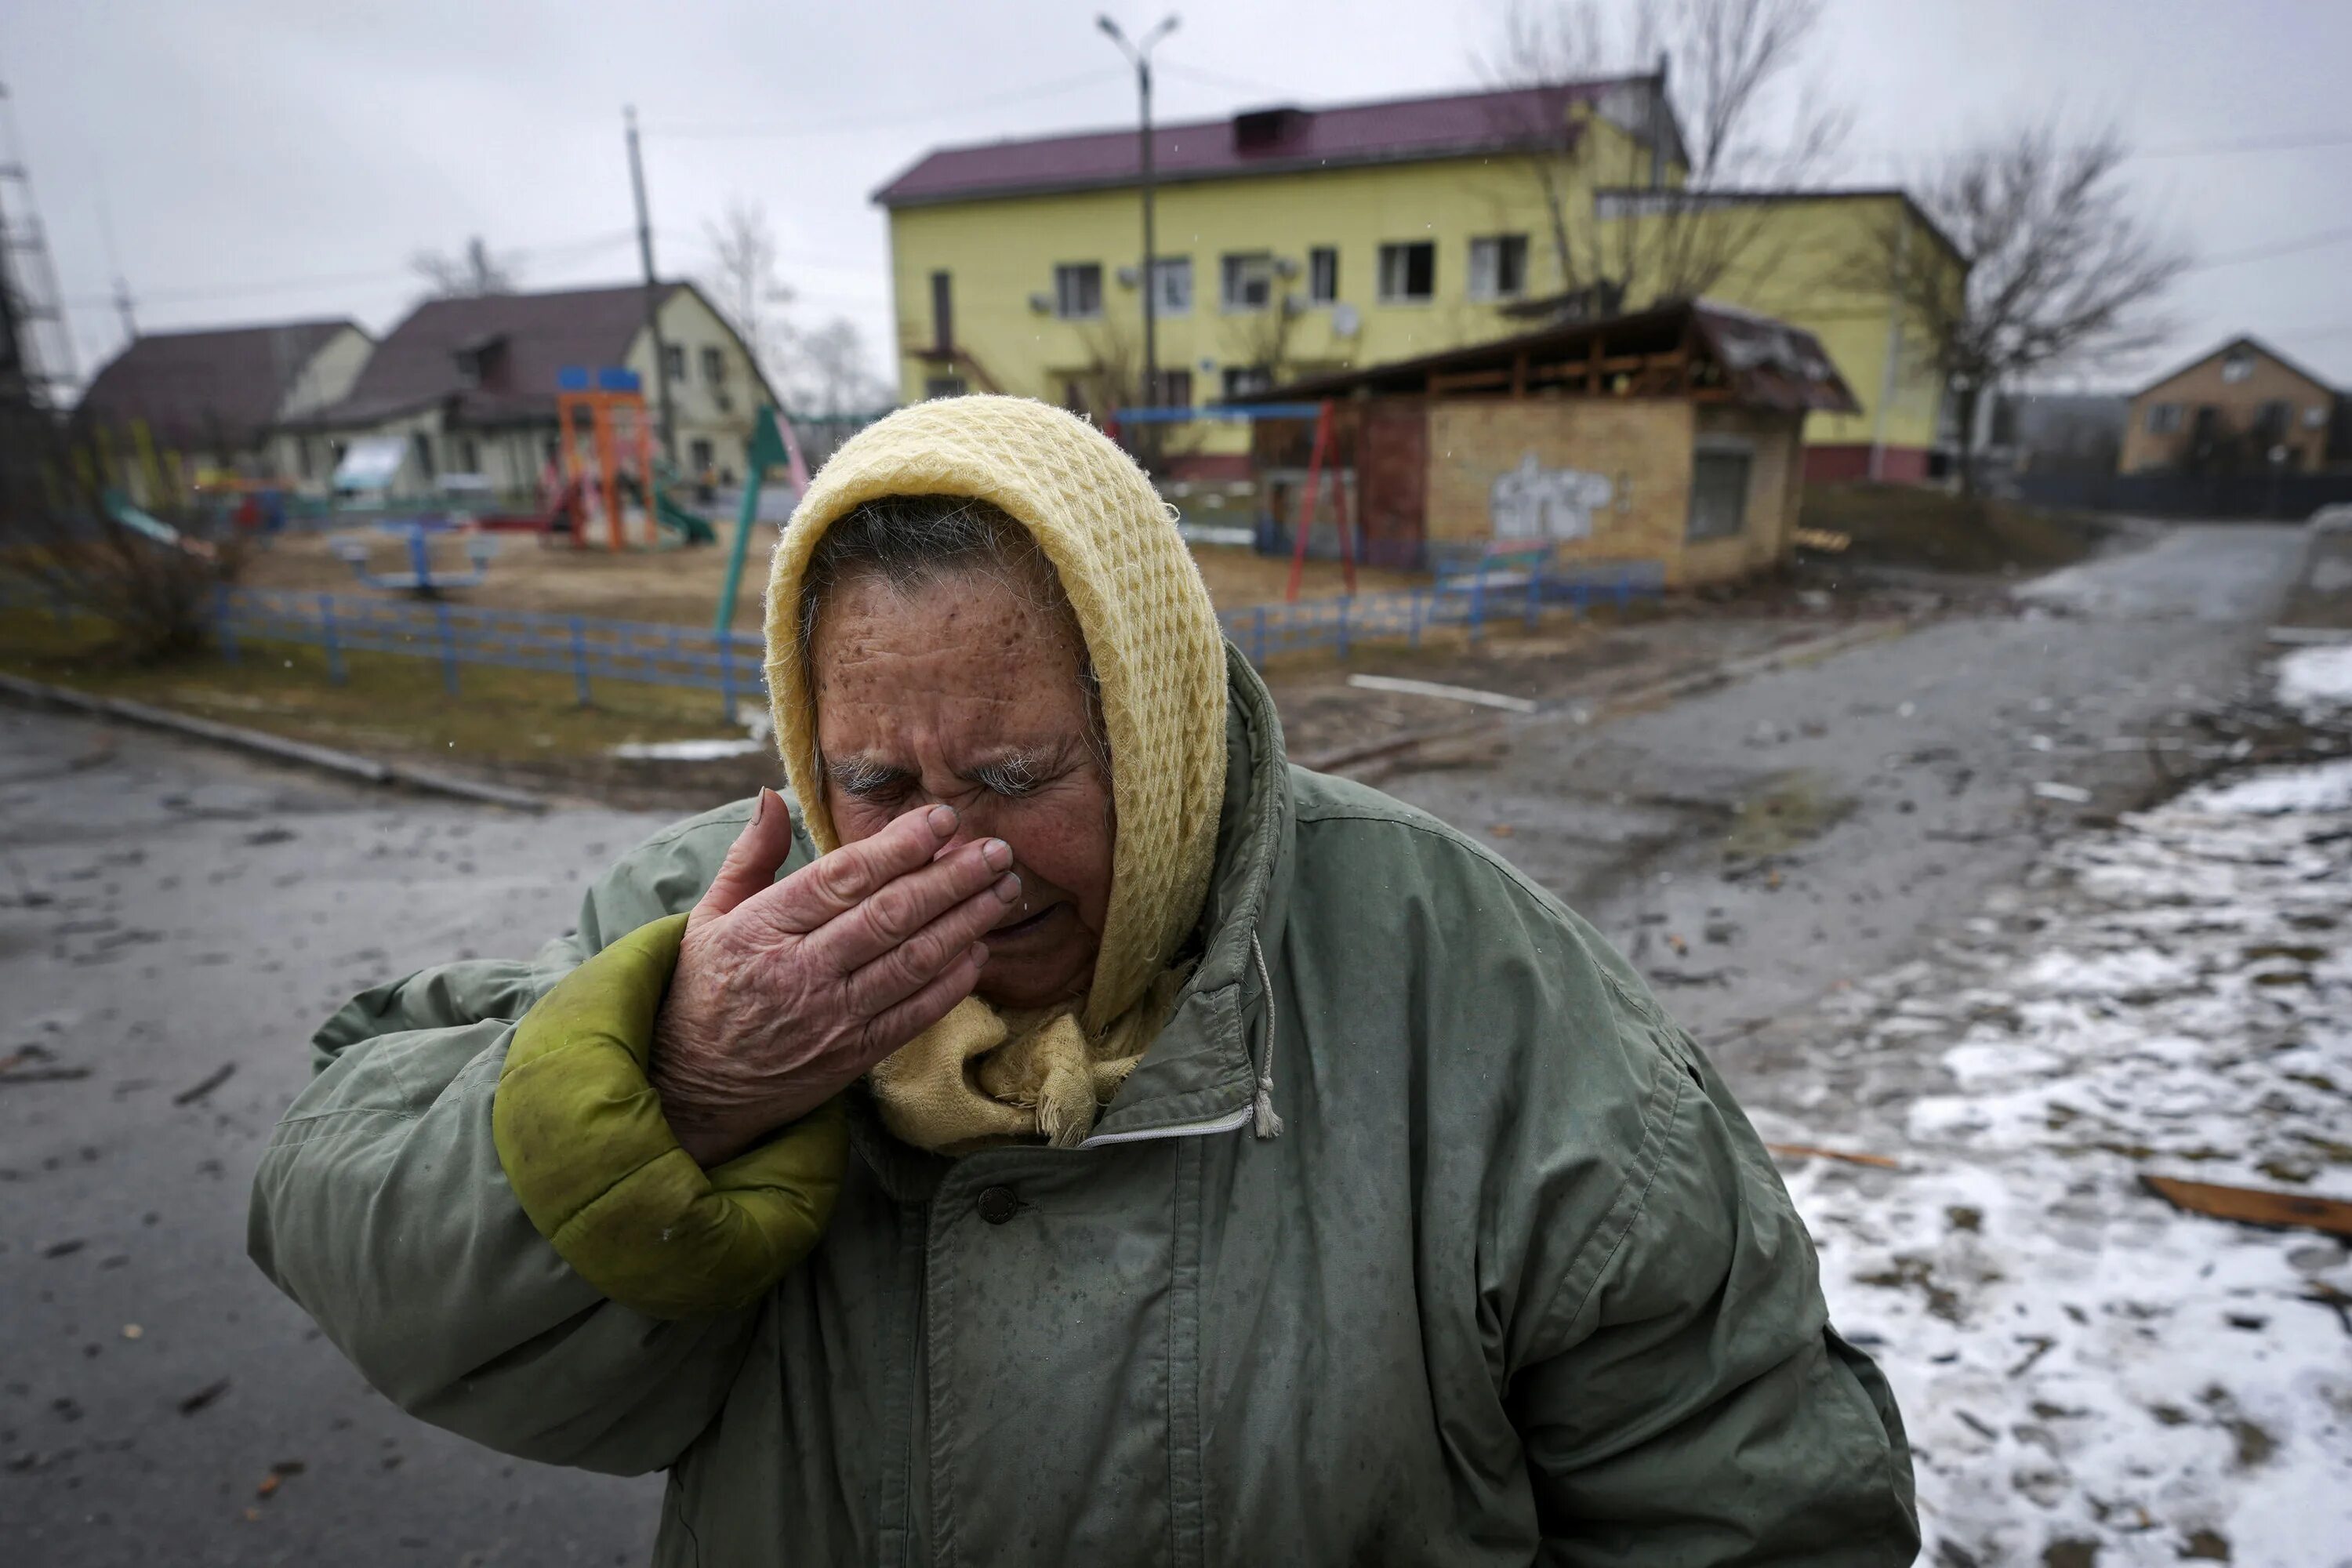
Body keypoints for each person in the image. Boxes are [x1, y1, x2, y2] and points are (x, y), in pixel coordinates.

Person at [251, 396, 1916, 1565]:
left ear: (1166, 734)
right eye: (880, 786)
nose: (948, 858)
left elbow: (1747, 1504)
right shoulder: (716, 921)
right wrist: (671, 1088)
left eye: (1021, 769)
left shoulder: (1472, 983)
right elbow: (352, 1209)